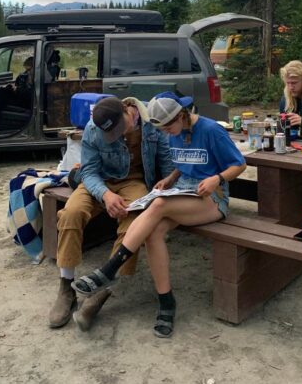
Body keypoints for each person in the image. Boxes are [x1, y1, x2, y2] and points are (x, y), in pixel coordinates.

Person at [72, 91, 246, 338]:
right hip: (183, 193)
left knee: (158, 205)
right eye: (161, 129)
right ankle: (166, 302)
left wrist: (216, 178)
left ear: (182, 116)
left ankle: (108, 271)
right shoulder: (173, 132)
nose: (166, 133)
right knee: (153, 233)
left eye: (168, 127)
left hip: (212, 198)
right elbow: (181, 163)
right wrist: (170, 178)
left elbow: (239, 164)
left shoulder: (211, 130)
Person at [48, 95, 174, 331]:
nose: (114, 138)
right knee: (71, 213)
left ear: (127, 112)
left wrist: (167, 189)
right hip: (98, 182)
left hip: (133, 182)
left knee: (135, 222)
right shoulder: (93, 127)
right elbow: (89, 171)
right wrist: (105, 195)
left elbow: (166, 163)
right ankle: (66, 287)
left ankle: (102, 291)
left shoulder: (151, 122)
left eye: (118, 131)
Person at [279, 60, 302, 136]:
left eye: (294, 83)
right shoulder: (285, 100)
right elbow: (283, 130)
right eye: (287, 83)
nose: (290, 87)